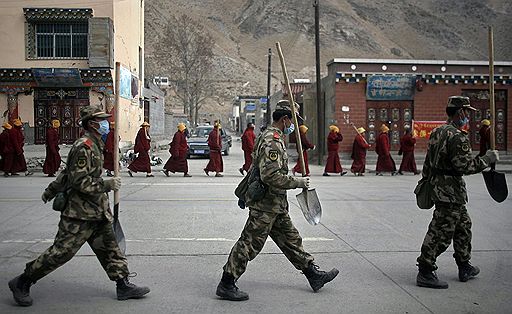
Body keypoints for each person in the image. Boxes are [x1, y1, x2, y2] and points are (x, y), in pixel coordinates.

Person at [8, 105, 150, 307]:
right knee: (61, 252)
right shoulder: (84, 146)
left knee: (111, 249)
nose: (106, 124)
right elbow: (79, 181)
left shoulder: (96, 144)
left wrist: (51, 190)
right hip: (79, 215)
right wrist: (106, 184)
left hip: (97, 212)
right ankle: (22, 282)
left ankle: (123, 285)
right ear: (92, 124)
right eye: (102, 121)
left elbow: (67, 174)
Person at [216, 100, 339, 301]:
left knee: (291, 240)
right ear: (285, 119)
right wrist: (298, 181)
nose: (295, 125)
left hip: (276, 205)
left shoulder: (275, 137)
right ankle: (227, 283)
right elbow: (270, 176)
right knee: (249, 243)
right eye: (293, 120)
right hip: (265, 204)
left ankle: (313, 275)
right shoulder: (272, 140)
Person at [415, 96, 499, 289]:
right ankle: (425, 270)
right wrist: (486, 159)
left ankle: (464, 265)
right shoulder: (458, 136)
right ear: (460, 112)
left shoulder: (437, 132)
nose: (467, 116)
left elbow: (428, 162)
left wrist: (427, 181)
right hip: (450, 193)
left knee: (463, 227)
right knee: (440, 232)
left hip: (441, 189)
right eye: (467, 112)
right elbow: (464, 167)